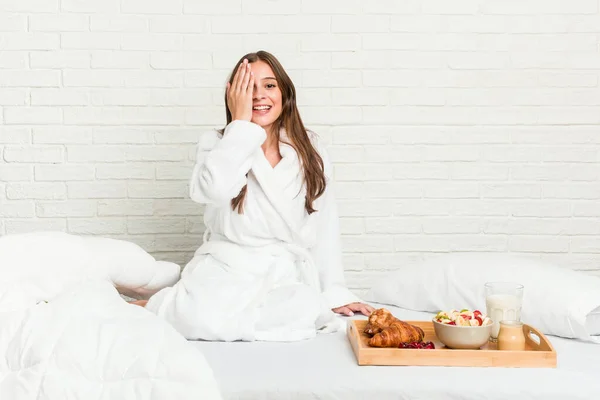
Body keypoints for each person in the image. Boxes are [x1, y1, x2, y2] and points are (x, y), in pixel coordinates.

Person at [139, 50, 374, 341]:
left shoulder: (310, 149)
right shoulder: (217, 143)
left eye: (269, 85)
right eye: (248, 87)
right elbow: (214, 190)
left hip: (283, 277)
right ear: (234, 96)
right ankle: (164, 303)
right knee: (207, 312)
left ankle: (178, 305)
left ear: (284, 92)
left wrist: (334, 291)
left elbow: (325, 226)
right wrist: (240, 126)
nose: (259, 95)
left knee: (305, 308)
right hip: (227, 269)